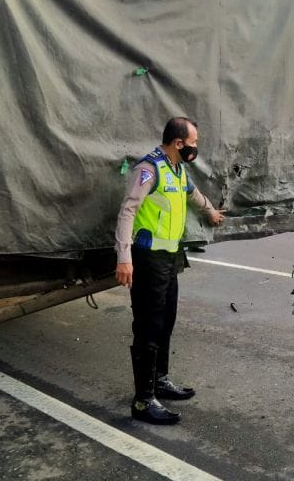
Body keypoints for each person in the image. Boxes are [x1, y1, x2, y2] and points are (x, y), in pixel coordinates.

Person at [114, 117, 225, 425]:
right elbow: (127, 211)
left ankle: (159, 381)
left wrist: (211, 211)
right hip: (147, 257)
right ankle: (143, 400)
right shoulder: (149, 169)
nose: (195, 148)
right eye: (194, 143)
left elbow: (193, 194)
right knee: (148, 327)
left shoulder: (177, 169)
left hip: (169, 257)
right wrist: (124, 257)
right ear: (179, 143)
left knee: (166, 322)